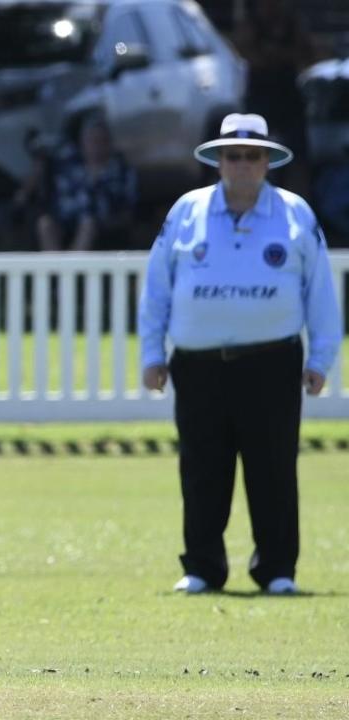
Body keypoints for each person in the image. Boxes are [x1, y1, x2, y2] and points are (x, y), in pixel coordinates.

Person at [137, 113, 342, 596]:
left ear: (267, 161)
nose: (244, 164)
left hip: (272, 361)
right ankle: (203, 568)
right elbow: (157, 287)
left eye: (253, 156)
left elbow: (320, 294)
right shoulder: (187, 210)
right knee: (202, 466)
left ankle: (276, 570)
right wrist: (152, 352)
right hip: (198, 362)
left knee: (272, 466)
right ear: (219, 161)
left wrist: (320, 360)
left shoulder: (295, 214)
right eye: (234, 155)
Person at [232, 0, 317, 196]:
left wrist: (277, 54)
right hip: (260, 99)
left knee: (297, 159)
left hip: (289, 98)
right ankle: (257, 197)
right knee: (255, 153)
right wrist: (276, 55)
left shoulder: (292, 22)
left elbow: (308, 54)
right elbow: (247, 54)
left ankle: (298, 200)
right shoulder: (251, 24)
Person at [36, 116, 137, 251]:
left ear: (109, 144)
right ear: (82, 144)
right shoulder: (71, 168)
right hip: (68, 219)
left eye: (101, 141)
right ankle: (55, 269)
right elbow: (60, 201)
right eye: (92, 140)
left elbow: (128, 209)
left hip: (102, 223)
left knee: (88, 224)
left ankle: (71, 269)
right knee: (45, 224)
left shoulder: (122, 170)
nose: (96, 145)